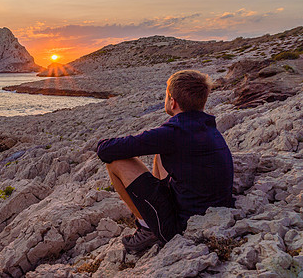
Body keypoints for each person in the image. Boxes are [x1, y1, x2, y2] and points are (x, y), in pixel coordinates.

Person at [97, 70, 233, 253]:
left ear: (172, 101)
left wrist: (102, 143)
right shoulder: (207, 126)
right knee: (161, 153)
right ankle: (154, 212)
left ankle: (148, 228)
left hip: (182, 226)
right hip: (209, 209)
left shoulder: (175, 133)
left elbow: (106, 151)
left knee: (115, 163)